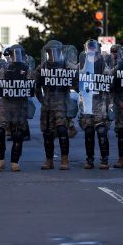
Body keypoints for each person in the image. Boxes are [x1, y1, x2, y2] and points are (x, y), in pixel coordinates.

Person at [0, 44, 35, 172]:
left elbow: (32, 87)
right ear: (9, 56)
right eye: (13, 55)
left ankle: (15, 162)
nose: (15, 58)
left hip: (20, 104)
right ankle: (0, 161)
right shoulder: (4, 70)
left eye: (18, 55)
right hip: (5, 104)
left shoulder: (27, 69)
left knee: (18, 133)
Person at [36, 40, 77, 170]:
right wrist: (42, 99)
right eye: (49, 52)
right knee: (47, 133)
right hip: (47, 104)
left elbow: (76, 84)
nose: (52, 55)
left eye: (55, 52)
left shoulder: (66, 66)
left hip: (62, 102)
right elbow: (36, 86)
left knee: (62, 130)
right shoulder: (42, 67)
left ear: (60, 52)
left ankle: (65, 160)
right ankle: (49, 160)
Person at [78, 39, 113, 169]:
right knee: (88, 132)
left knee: (102, 131)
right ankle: (89, 159)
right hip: (86, 103)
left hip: (100, 102)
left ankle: (104, 159)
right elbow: (75, 78)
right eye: (89, 48)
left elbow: (109, 78)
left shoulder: (102, 63)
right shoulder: (82, 63)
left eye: (93, 48)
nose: (91, 50)